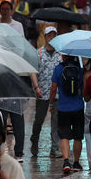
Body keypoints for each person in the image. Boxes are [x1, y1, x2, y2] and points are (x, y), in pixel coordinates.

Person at [50, 53, 85, 173]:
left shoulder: (58, 68)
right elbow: (83, 87)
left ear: (63, 56)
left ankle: (66, 161)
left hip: (63, 108)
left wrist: (50, 103)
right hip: (78, 107)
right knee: (78, 137)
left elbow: (53, 88)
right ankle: (76, 162)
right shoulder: (80, 69)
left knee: (64, 135)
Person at [31, 26, 62, 158]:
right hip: (42, 92)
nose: (51, 38)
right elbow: (33, 70)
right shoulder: (38, 53)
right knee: (39, 119)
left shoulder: (60, 54)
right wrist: (36, 87)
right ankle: (34, 139)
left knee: (56, 121)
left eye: (54, 35)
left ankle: (55, 147)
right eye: (49, 35)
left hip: (57, 93)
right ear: (44, 37)